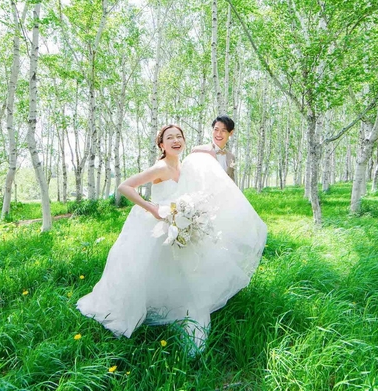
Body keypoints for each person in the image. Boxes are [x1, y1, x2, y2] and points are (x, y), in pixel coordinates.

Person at [76, 124, 267, 354]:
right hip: (157, 226)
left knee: (185, 271)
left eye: (179, 137)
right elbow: (125, 187)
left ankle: (180, 307)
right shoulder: (161, 167)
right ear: (161, 144)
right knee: (150, 270)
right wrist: (153, 208)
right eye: (170, 138)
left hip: (180, 225)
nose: (176, 141)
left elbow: (206, 156)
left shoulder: (185, 167)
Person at [191, 115, 236, 181]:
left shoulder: (231, 157)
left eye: (223, 130)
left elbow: (231, 181)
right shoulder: (199, 151)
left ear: (231, 133)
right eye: (216, 129)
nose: (218, 134)